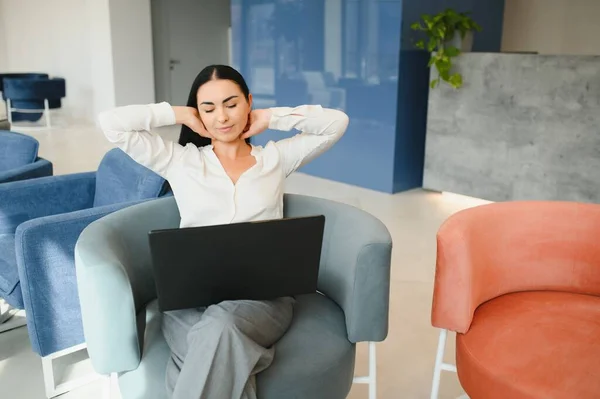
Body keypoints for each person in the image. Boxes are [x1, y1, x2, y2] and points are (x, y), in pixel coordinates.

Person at [98, 64, 348, 399]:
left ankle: (243, 350)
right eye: (209, 108)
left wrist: (271, 117)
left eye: (231, 104)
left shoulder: (276, 158)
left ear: (248, 102)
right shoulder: (179, 161)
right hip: (189, 300)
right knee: (222, 343)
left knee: (220, 329)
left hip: (263, 298)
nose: (222, 117)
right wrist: (178, 114)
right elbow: (112, 125)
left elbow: (335, 124)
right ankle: (249, 353)